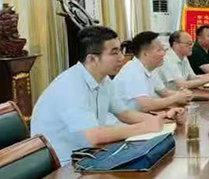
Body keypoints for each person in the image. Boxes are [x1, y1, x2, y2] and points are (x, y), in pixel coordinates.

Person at [31, 26, 168, 165]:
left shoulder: (104, 80)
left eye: (120, 51)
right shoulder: (70, 85)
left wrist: (159, 120)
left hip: (90, 154)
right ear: (92, 59)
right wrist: (144, 127)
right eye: (114, 52)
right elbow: (94, 136)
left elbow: (124, 113)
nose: (121, 58)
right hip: (65, 165)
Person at [114, 31, 192, 113]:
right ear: (145, 54)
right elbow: (145, 105)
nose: (164, 54)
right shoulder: (134, 70)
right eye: (159, 50)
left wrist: (182, 95)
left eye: (164, 49)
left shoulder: (150, 69)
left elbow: (164, 92)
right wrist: (175, 98)